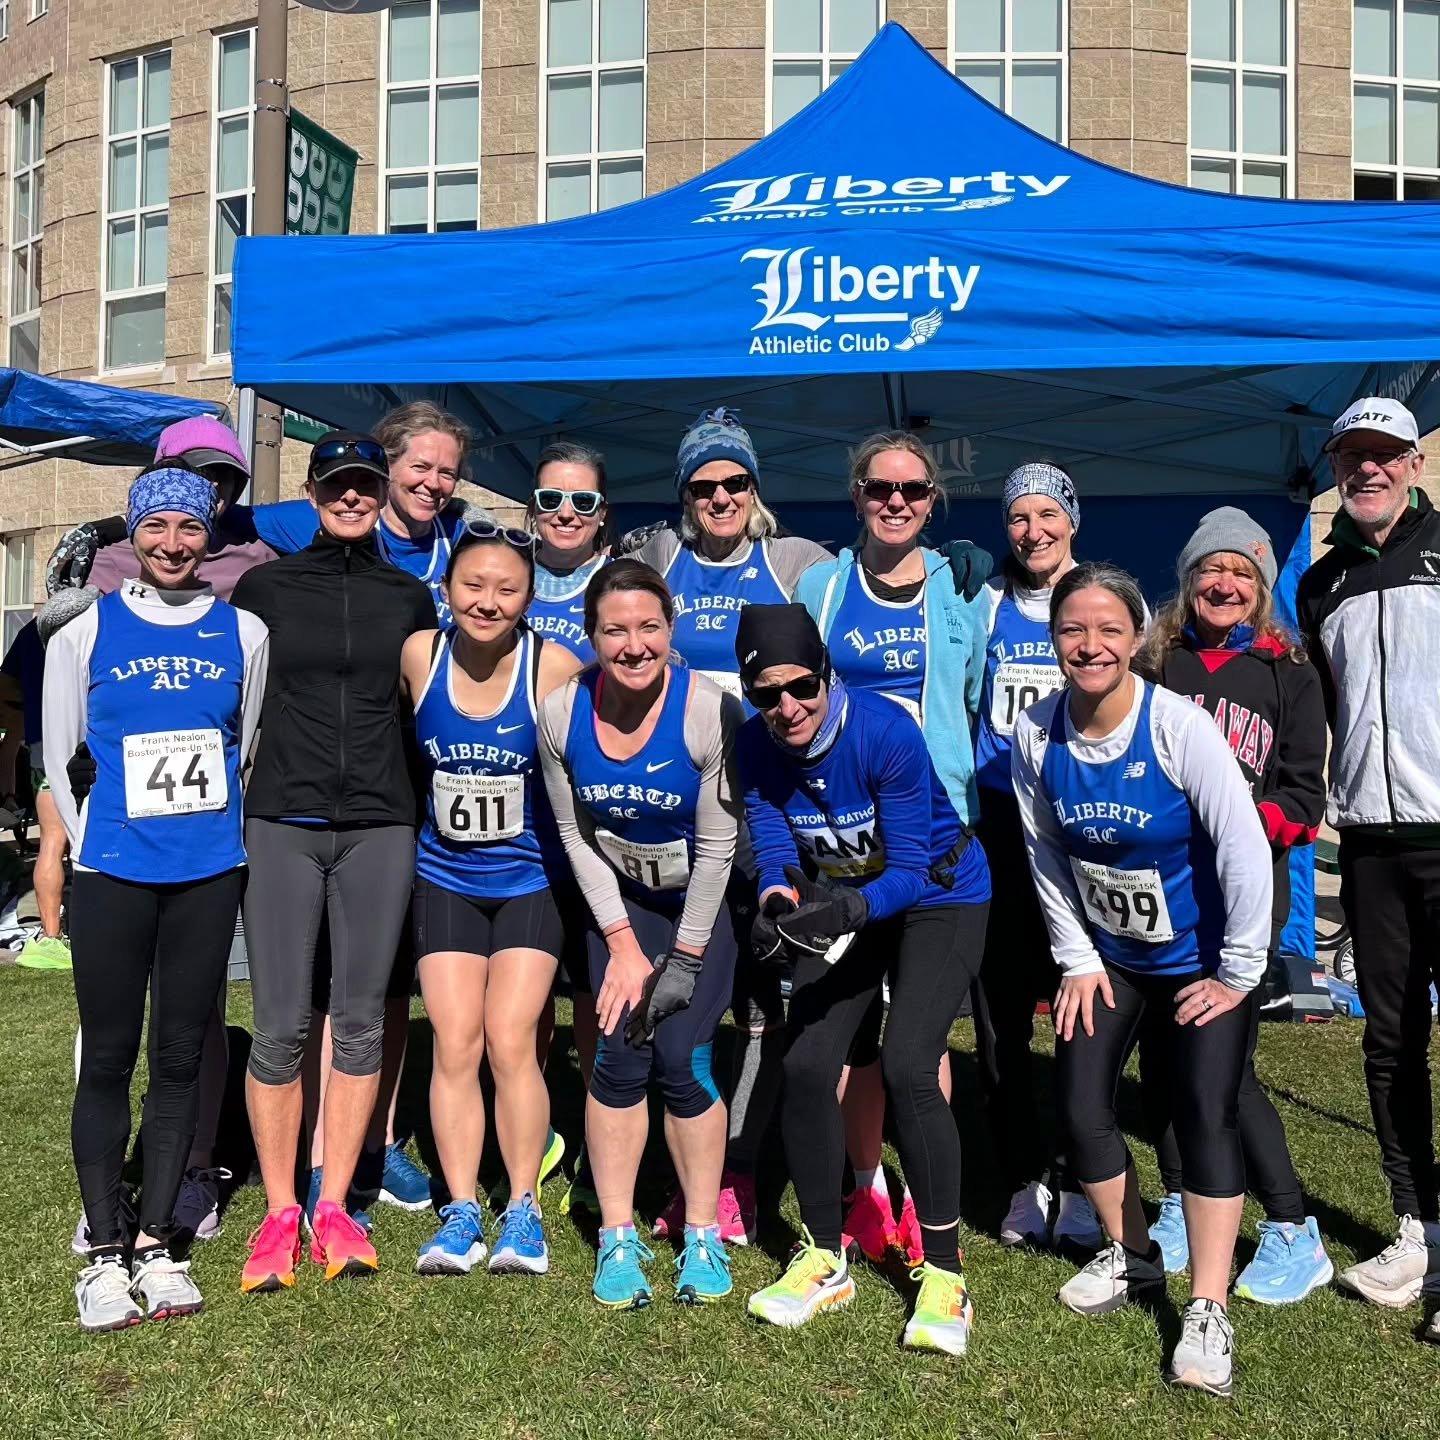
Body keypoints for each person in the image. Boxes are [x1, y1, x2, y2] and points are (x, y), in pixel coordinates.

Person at [1012, 562, 1272, 1398]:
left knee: (1202, 1113)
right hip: (1115, 957)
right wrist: (1077, 958)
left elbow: (1242, 845)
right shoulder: (1035, 733)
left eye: (1108, 630)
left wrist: (1238, 972)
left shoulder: (1178, 728)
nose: (1090, 645)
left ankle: (1207, 1305)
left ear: (1135, 639)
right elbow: (1044, 853)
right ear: (1053, 639)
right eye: (1072, 630)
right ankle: (1136, 1255)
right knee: (1083, 1103)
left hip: (1201, 961)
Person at [44, 467, 269, 1330]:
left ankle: (159, 1245)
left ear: (209, 536)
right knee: (106, 1055)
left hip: (208, 871)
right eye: (157, 528)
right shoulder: (83, 631)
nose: (174, 544)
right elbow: (60, 751)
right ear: (132, 537)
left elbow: (241, 748)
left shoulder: (244, 632)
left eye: (189, 528)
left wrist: (212, 838)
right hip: (115, 874)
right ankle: (103, 1250)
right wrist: (92, 842)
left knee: (181, 1056)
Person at [736, 604, 990, 1356]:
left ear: (828, 673)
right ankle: (823, 1255)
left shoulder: (885, 730)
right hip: (848, 898)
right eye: (767, 694)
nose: (788, 708)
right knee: (809, 1063)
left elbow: (911, 869)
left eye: (803, 686)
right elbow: (775, 835)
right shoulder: (755, 743)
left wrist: (844, 906)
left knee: (910, 1062)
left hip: (939, 896)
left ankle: (944, 1274)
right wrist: (778, 900)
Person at [232, 431, 435, 1295]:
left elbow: (437, 710)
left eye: (364, 484)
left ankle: (339, 1201)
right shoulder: (263, 587)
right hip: (282, 817)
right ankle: (282, 1207)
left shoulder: (409, 598)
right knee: (280, 1023)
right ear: (313, 493)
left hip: (382, 825)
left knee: (359, 1019)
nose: (352, 497)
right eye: (337, 484)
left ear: (382, 491)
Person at [626, 408, 830, 1246]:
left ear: (756, 488)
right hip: (680, 817)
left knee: (765, 1000)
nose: (721, 497)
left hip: (776, 813)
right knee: (693, 998)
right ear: (683, 495)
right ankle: (689, 1171)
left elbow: (868, 601)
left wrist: (957, 574)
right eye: (703, 485)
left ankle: (743, 1163)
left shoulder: (796, 563)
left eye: (735, 483)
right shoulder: (657, 558)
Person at [794, 430, 991, 1265]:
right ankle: (867, 1185)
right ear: (858, 495)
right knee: (848, 1047)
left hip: (933, 843)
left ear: (933, 501)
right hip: (842, 849)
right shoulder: (821, 587)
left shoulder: (960, 589)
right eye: (881, 488)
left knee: (918, 1044)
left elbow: (968, 697)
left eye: (914, 490)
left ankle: (920, 1199)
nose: (898, 502)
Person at [1140, 508, 1332, 1304]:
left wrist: (1241, 821)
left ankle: (1292, 1226)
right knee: (1164, 1059)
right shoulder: (1156, 661)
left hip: (1240, 901)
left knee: (1227, 1072)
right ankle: (1186, 1205)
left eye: (1242, 573)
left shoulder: (1288, 670)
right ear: (1188, 584)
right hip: (1164, 894)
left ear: (1259, 588)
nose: (1224, 584)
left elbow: (1303, 795)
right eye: (1209, 571)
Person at [539, 559, 741, 1310]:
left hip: (700, 903)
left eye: (649, 627)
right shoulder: (562, 712)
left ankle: (700, 1231)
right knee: (619, 1062)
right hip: (619, 903)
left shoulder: (708, 711)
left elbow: (720, 850)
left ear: (671, 630)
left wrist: (682, 959)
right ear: (591, 635)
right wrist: (623, 946)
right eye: (615, 630)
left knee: (683, 1060)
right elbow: (575, 833)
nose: (633, 645)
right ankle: (619, 1235)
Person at [1295, 396, 1440, 1324]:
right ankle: (1416, 1228)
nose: (1370, 471)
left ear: (1415, 465)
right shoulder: (1322, 583)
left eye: (1386, 455)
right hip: (1373, 845)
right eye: (1353, 459)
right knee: (1388, 1042)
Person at [403, 522, 581, 1276]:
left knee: (512, 1039)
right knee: (454, 1040)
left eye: (507, 589)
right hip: (445, 877)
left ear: (529, 599)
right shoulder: (420, 655)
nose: (488, 601)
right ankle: (460, 1209)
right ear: (447, 591)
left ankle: (524, 1210)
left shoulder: (553, 665)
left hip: (528, 883)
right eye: (473, 585)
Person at [969, 463, 1100, 1252]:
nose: (1033, 530)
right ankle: (1023, 1176)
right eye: (1019, 517)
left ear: (1072, 520)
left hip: (1079, 826)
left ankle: (1085, 1177)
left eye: (1048, 513)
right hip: (996, 827)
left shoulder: (1104, 599)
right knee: (1001, 1017)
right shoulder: (983, 603)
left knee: (1084, 1013)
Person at [3, 618, 71, 970]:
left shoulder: (33, 629)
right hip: (95, 741)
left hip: (44, 743)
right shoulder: (107, 615)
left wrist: (30, 704)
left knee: (52, 841)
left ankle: (50, 936)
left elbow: (5, 685)